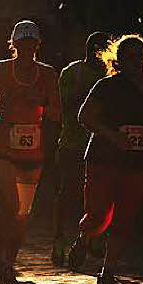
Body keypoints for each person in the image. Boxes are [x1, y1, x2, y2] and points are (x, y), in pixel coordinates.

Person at [67, 34, 143, 284]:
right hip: (104, 159)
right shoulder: (107, 86)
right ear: (118, 61)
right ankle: (83, 239)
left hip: (137, 163)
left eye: (140, 56)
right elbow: (85, 116)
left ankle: (107, 274)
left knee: (125, 218)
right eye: (129, 57)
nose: (136, 62)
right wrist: (112, 135)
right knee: (98, 215)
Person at [0, 20, 62, 284]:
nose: (26, 49)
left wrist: (40, 101)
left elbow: (57, 113)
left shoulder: (47, 74)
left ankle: (6, 263)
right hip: (0, 145)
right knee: (10, 204)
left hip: (31, 148)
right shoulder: (0, 69)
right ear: (14, 45)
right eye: (21, 44)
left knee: (22, 213)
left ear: (37, 45)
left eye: (31, 43)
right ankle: (1, 259)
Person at [52, 31, 109, 265]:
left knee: (101, 194)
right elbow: (60, 105)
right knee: (68, 192)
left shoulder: (111, 76)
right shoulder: (72, 72)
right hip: (72, 143)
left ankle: (92, 236)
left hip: (102, 144)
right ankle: (59, 238)